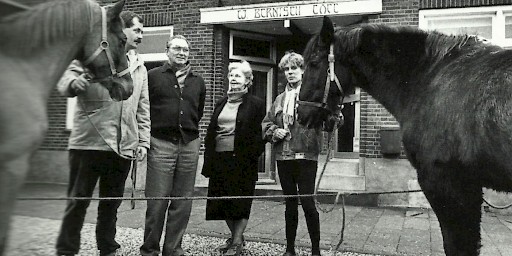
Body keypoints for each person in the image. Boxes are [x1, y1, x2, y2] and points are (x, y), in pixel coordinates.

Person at [55, 11, 150, 256]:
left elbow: (143, 108)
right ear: (122, 30)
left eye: (142, 31)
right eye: (137, 30)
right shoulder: (92, 53)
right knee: (78, 202)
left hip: (122, 145)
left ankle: (107, 247)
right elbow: (64, 80)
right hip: (89, 143)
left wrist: (143, 141)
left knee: (111, 204)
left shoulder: (140, 67)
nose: (141, 35)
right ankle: (67, 249)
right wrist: (73, 84)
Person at [140, 35, 206, 256]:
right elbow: (143, 108)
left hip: (189, 144)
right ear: (166, 50)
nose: (182, 53)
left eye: (186, 49)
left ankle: (173, 249)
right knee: (157, 201)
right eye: (177, 48)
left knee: (183, 201)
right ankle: (150, 249)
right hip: (160, 144)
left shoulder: (198, 81)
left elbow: (198, 111)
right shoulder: (153, 77)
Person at [201, 61, 266, 256]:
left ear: (248, 81)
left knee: (241, 202)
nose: (234, 79)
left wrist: (252, 154)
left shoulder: (256, 104)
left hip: (243, 161)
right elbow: (213, 130)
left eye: (239, 76)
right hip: (220, 160)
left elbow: (259, 134)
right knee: (222, 202)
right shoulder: (221, 102)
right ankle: (237, 237)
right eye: (232, 75)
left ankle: (236, 242)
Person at [262, 51, 322, 256]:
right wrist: (274, 130)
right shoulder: (279, 99)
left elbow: (329, 120)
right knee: (289, 203)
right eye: (286, 69)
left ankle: (315, 250)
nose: (290, 73)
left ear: (303, 70)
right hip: (284, 156)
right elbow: (266, 123)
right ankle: (289, 249)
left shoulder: (312, 96)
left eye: (294, 68)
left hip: (306, 156)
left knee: (307, 202)